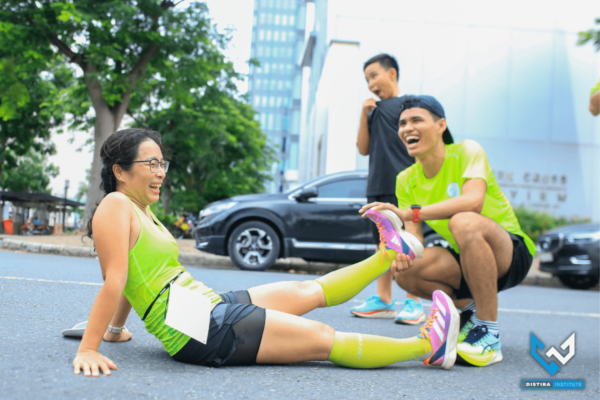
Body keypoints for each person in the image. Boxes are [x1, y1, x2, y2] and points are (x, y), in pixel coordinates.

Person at [71, 128, 460, 377]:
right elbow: (115, 281)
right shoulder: (115, 206)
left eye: (162, 163)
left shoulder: (140, 209)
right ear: (120, 171)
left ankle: (386, 255)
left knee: (309, 290)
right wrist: (89, 348)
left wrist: (116, 331)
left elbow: (132, 279)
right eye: (152, 164)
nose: (161, 172)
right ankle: (428, 346)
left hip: (204, 306)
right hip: (198, 330)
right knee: (323, 339)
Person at [360, 95, 536, 367]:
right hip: (466, 260)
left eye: (416, 120)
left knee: (463, 222)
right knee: (406, 271)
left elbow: (473, 202)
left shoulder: (467, 151)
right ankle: (468, 316)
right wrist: (401, 252)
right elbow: (415, 238)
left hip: (509, 253)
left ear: (441, 125)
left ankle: (489, 334)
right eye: (402, 123)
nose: (407, 128)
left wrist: (412, 212)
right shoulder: (405, 179)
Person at [352, 53, 426, 324]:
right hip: (378, 185)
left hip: (407, 186)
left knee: (410, 241)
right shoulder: (374, 111)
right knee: (383, 243)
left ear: (392, 73)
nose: (370, 84)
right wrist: (364, 114)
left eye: (374, 76)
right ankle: (384, 300)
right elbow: (363, 149)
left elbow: (423, 144)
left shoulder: (411, 105)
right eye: (367, 80)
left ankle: (414, 300)